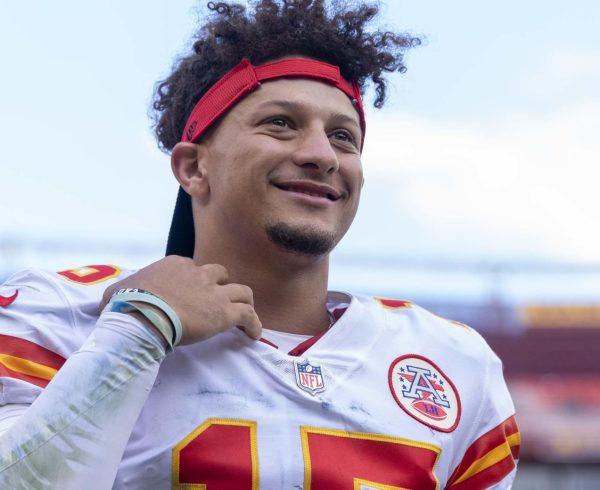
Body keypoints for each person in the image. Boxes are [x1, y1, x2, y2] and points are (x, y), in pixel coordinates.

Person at [0, 1, 520, 488]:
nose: (322, 154)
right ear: (193, 167)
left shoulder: (454, 362)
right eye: (281, 124)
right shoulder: (62, 315)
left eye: (343, 136)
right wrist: (137, 332)